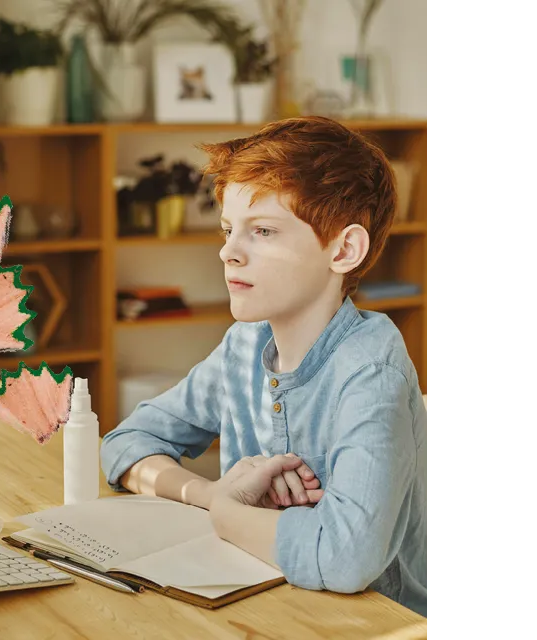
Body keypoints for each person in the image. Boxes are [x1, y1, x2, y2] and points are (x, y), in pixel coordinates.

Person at [99, 116, 432, 617]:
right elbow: (125, 445)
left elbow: (346, 557)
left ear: (344, 250)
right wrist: (213, 491)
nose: (228, 252)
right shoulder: (244, 345)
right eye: (230, 230)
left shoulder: (371, 369)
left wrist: (227, 513)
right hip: (258, 610)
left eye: (263, 231)